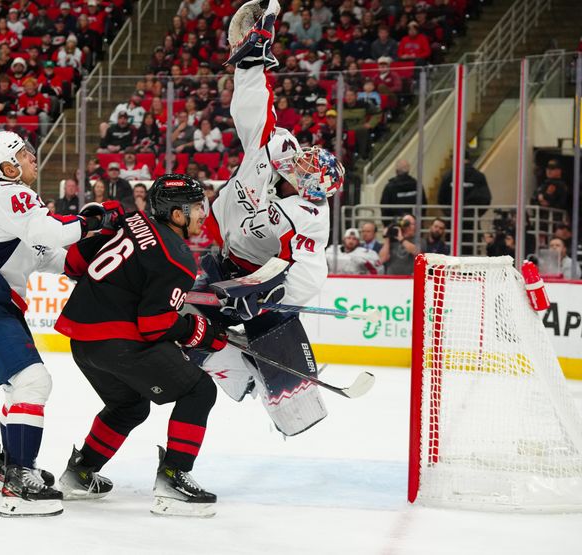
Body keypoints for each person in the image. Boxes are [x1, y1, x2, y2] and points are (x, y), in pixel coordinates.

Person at [0, 131, 118, 517]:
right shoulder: (7, 194)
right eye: (24, 153)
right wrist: (95, 219)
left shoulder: (16, 209)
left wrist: (99, 253)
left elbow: (55, 255)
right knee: (33, 382)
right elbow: (53, 232)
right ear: (7, 166)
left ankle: (14, 468)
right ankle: (19, 478)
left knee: (18, 387)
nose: (32, 157)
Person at [196, 0, 344, 438]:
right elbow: (253, 110)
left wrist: (261, 291)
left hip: (280, 284)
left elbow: (296, 270)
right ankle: (240, 378)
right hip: (231, 259)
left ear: (310, 190)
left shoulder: (309, 215)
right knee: (188, 326)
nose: (295, 167)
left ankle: (288, 399)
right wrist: (251, 65)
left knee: (288, 395)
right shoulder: (274, 150)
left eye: (302, 174)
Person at [55, 174, 224, 517]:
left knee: (130, 406)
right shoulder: (178, 257)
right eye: (196, 207)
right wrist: (199, 330)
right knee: (200, 391)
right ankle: (174, 478)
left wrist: (101, 225)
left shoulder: (131, 220)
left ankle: (80, 473)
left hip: (83, 342)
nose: (203, 214)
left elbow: (74, 265)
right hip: (118, 342)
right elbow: (154, 326)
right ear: (176, 215)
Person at [380, 159, 423, 224]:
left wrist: (387, 224)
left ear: (396, 171)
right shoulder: (417, 185)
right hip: (414, 224)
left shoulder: (389, 187)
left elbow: (384, 207)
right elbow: (423, 204)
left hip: (395, 224)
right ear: (408, 170)